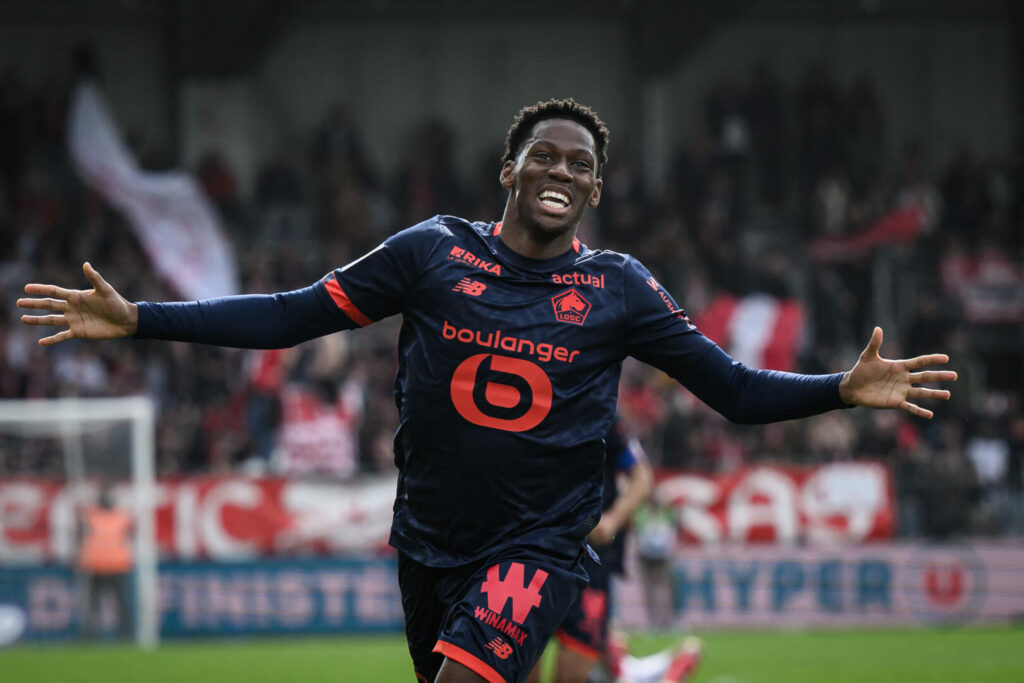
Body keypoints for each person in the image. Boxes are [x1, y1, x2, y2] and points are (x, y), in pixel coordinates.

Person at [19, 98, 956, 683]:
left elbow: (736, 390)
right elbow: (289, 315)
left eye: (581, 165)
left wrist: (842, 388)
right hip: (428, 542)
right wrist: (141, 318)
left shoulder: (620, 288)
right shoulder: (430, 252)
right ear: (510, 169)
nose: (562, 171)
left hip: (538, 544)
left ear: (593, 193)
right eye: (546, 155)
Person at [527, 419, 653, 683]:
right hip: (533, 553)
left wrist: (613, 520)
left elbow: (642, 476)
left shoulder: (605, 415)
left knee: (573, 674)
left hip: (592, 557)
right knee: (523, 669)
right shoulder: (529, 409)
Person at [77, 485, 133, 640]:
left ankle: (93, 636)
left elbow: (80, 538)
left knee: (100, 604)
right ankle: (121, 635)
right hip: (107, 566)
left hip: (106, 566)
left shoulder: (91, 517)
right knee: (111, 604)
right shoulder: (120, 517)